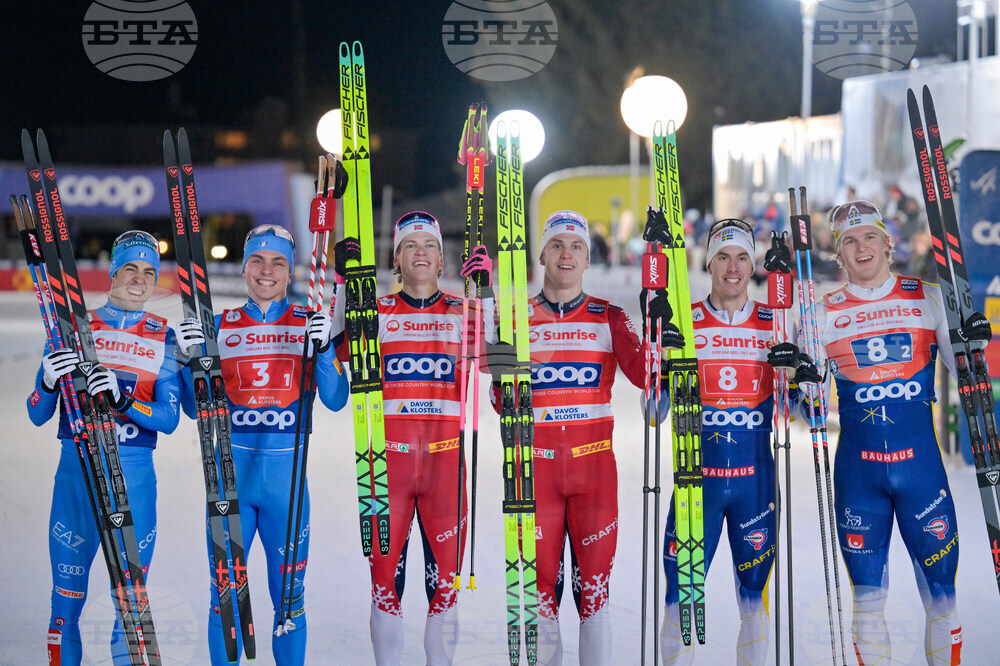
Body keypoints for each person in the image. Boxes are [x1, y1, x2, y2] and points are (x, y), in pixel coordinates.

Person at [806, 201, 991, 665]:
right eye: (849, 241)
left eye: (869, 236)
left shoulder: (928, 297)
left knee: (942, 600)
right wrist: (800, 378)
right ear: (839, 255)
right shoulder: (819, 314)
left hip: (922, 475)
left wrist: (974, 341)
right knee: (868, 604)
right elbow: (805, 408)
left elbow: (967, 374)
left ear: (888, 243)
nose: (861, 247)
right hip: (857, 479)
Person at [176, 224, 349, 665]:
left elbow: (334, 399)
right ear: (245, 266)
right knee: (226, 598)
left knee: (289, 599)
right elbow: (196, 411)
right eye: (257, 260)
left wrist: (325, 348)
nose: (266, 270)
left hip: (286, 489)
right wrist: (189, 362)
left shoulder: (308, 325)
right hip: (229, 483)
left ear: (290, 272)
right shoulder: (219, 326)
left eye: (277, 262)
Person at [486, 210, 652, 665]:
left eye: (576, 246)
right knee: (540, 595)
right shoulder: (515, 318)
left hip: (594, 474)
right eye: (557, 244)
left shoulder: (610, 316)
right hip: (534, 473)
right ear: (542, 254)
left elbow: (643, 376)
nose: (566, 254)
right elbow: (502, 403)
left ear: (587, 258)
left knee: (594, 595)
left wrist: (658, 330)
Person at [656, 219, 818, 665]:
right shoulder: (684, 321)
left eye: (743, 257)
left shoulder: (777, 321)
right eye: (723, 257)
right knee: (680, 594)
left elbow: (811, 415)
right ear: (708, 264)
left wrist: (800, 376)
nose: (733, 267)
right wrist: (663, 363)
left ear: (754, 266)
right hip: (696, 483)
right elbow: (654, 413)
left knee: (754, 598)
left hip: (756, 483)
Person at [331, 211, 488, 666]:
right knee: (384, 586)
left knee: (445, 588)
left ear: (442, 258)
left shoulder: (464, 311)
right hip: (385, 467)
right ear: (396, 258)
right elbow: (337, 347)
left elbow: (495, 360)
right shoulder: (378, 311)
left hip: (445, 466)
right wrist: (344, 284)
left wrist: (486, 294)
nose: (421, 252)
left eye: (430, 245)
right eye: (410, 245)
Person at [27, 230, 181, 665]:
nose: (140, 279)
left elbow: (169, 420)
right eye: (130, 268)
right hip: (75, 479)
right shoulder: (73, 329)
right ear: (113, 274)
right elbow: (37, 413)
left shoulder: (163, 337)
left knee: (130, 614)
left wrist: (123, 401)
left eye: (149, 272)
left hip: (134, 482)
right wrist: (47, 380)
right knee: (65, 610)